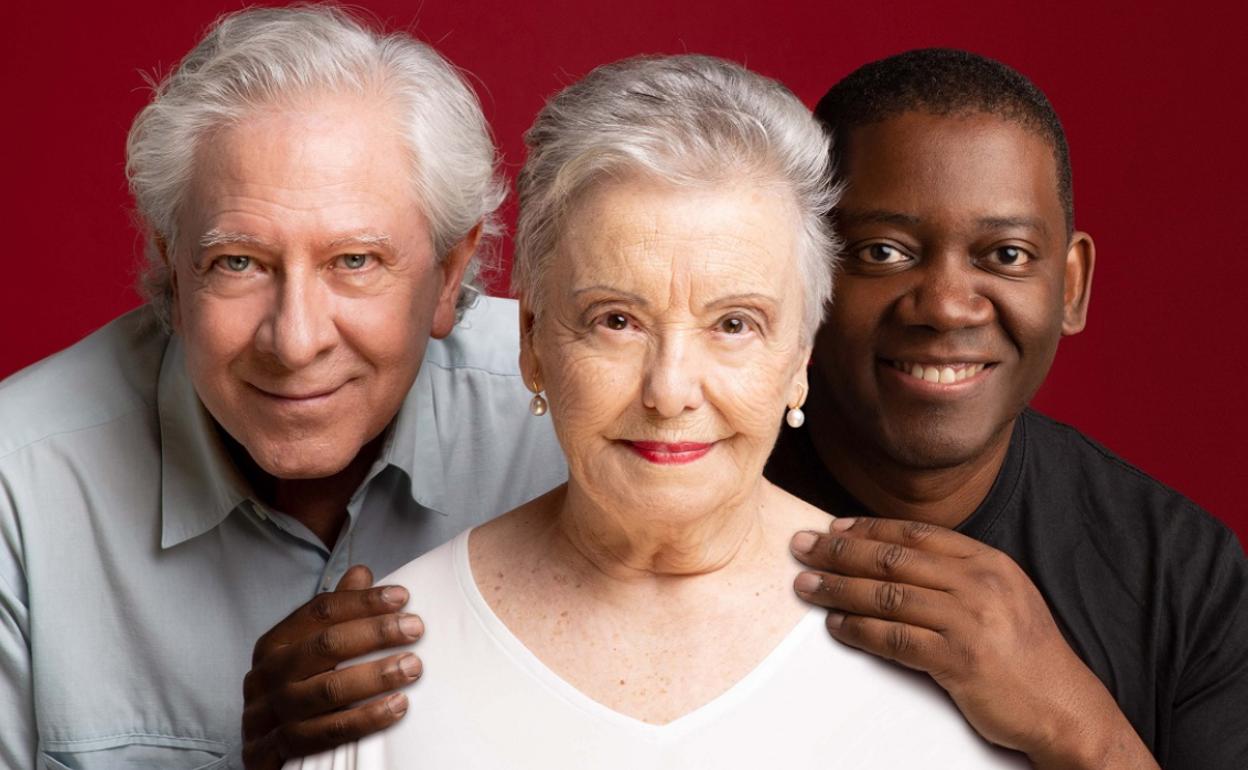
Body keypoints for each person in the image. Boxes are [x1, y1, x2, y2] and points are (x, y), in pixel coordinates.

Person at [289, 53, 1025, 769]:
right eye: (617, 320)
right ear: (534, 345)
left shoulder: (939, 653)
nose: (670, 391)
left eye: (734, 324)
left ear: (800, 358)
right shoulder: (383, 666)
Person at [0, 7, 567, 768]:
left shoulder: (580, 415)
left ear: (450, 274)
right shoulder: (18, 483)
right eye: (239, 262)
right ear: (173, 265)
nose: (296, 341)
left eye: (356, 261)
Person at [771, 49, 1248, 769]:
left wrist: (1077, 725)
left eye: (1007, 255)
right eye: (883, 250)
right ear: (803, 273)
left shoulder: (1182, 574)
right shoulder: (679, 509)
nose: (945, 305)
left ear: (1072, 285)